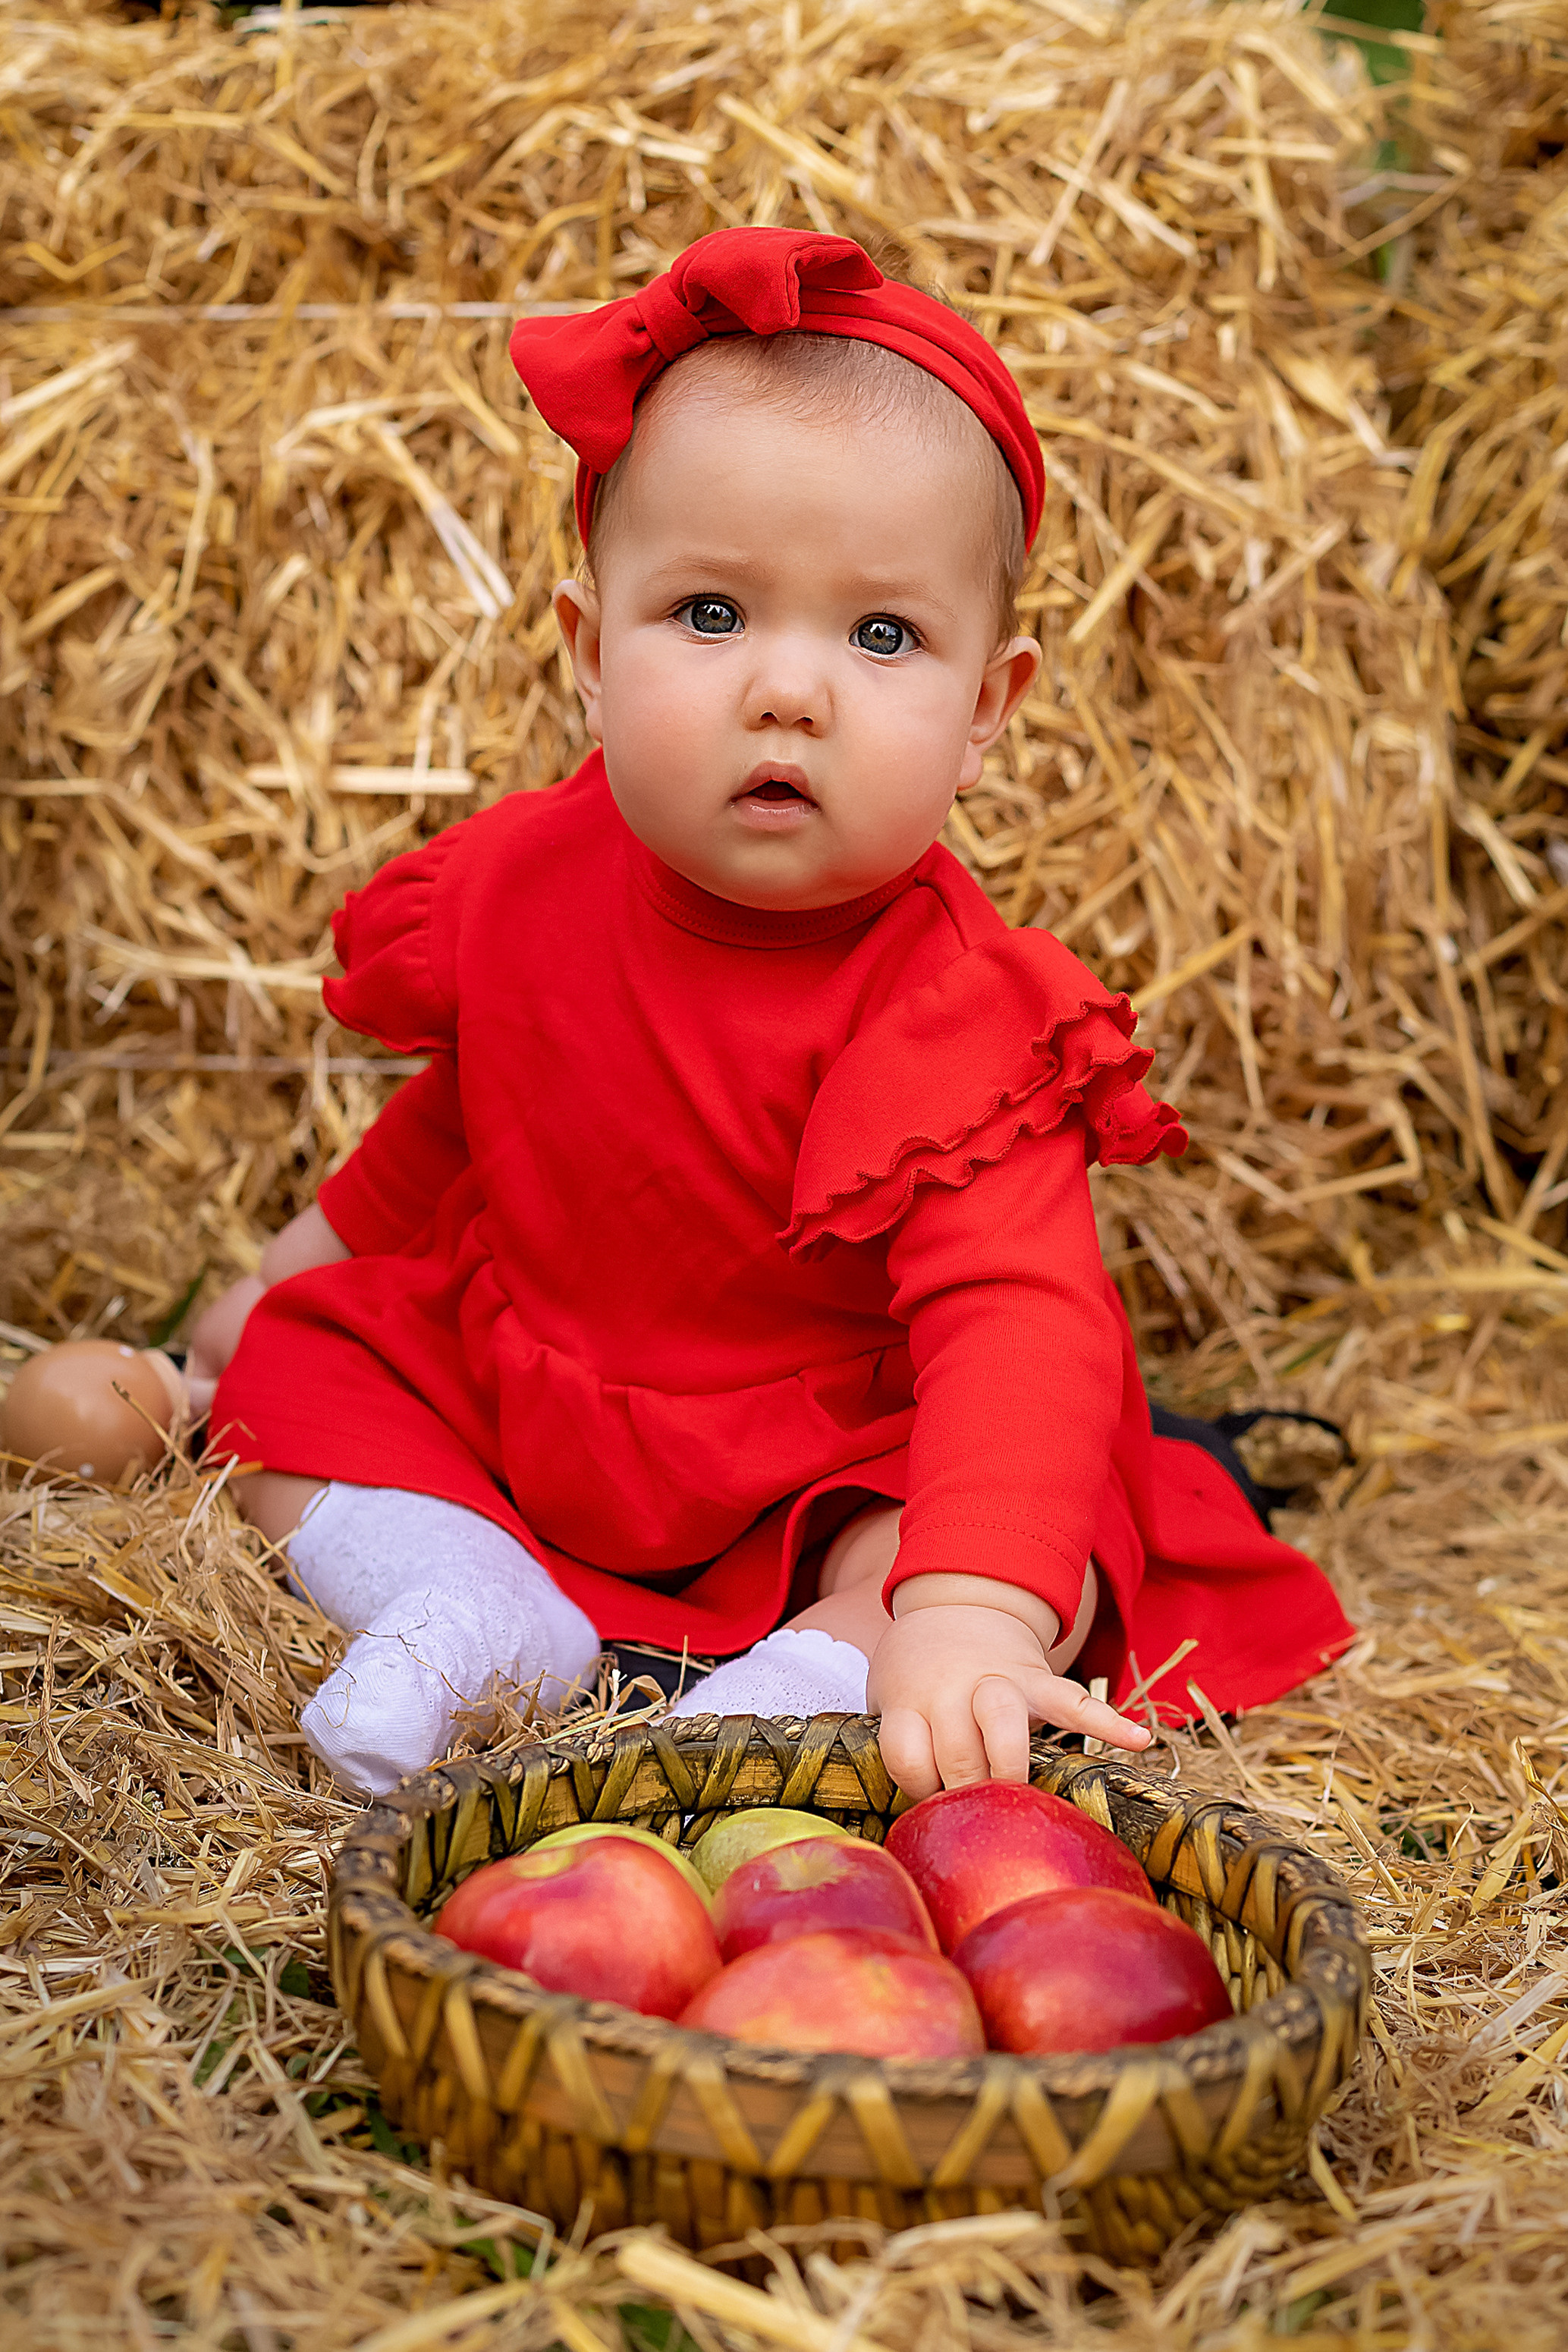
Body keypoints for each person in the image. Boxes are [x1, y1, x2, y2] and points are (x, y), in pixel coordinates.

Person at [193, 229, 1354, 1799]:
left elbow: (1015, 1323)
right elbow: (474, 1118)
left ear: (984, 709)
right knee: (285, 1385)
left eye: (880, 635)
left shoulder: (954, 1007)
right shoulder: (521, 879)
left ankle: (812, 1676)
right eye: (711, 613)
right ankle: (458, 1596)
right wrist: (298, 1272)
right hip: (538, 1402)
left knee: (1024, 1525)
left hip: (814, 1462)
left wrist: (963, 1608)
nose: (787, 688)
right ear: (588, 650)